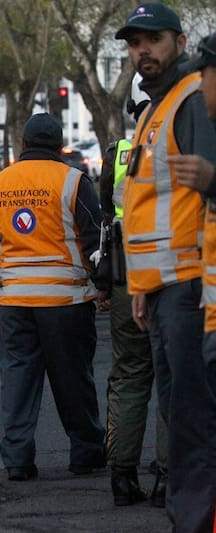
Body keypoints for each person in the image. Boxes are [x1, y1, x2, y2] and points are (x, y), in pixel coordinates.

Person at [115, 5, 216, 530]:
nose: (142, 51)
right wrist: (139, 285)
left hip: (189, 286)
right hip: (160, 288)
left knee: (192, 418)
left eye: (152, 40)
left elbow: (207, 193)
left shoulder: (192, 99)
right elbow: (148, 205)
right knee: (178, 414)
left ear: (179, 41)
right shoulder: (155, 108)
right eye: (134, 43)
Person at [0, 113, 107, 482]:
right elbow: (96, 240)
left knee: (18, 381)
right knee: (74, 380)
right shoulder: (74, 182)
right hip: (66, 302)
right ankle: (85, 454)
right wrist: (104, 286)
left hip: (16, 302)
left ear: (23, 145)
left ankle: (18, 460)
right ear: (60, 147)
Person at [98, 73, 168, 508]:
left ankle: (122, 477)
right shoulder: (184, 138)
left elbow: (106, 208)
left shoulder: (119, 151)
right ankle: (168, 478)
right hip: (174, 270)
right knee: (174, 377)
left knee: (129, 373)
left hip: (127, 272)